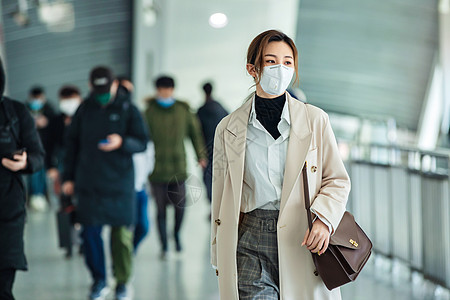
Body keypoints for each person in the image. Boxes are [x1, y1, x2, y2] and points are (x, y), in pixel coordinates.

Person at [210, 30, 351, 299]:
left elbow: (337, 179)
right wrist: (218, 251)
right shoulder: (228, 128)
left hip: (304, 236)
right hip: (250, 239)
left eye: (288, 62)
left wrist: (324, 220)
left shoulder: (315, 120)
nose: (281, 69)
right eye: (271, 61)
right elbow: (221, 194)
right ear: (253, 68)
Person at [62, 66, 148, 300]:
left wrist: (122, 142)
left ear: (114, 85)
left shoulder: (128, 109)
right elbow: (71, 146)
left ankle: (122, 281)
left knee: (121, 237)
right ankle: (99, 280)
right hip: (88, 182)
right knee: (90, 234)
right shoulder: (84, 110)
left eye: (106, 89)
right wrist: (67, 177)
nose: (101, 94)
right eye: (97, 90)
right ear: (91, 87)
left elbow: (142, 141)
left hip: (119, 183)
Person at [144, 75, 207, 259]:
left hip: (178, 167)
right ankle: (164, 245)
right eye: (161, 90)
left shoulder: (183, 111)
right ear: (157, 91)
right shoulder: (149, 113)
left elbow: (195, 134)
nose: (165, 93)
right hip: (156, 169)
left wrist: (201, 155)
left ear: (172, 90)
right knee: (160, 210)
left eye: (168, 90)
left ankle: (177, 235)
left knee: (180, 206)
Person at [0, 58, 45, 300]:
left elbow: (38, 154)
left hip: (8, 212)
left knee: (3, 286)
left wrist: (25, 162)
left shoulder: (16, 112)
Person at [117, 76, 154, 253]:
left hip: (139, 187)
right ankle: (123, 261)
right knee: (122, 229)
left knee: (143, 226)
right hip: (122, 187)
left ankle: (130, 251)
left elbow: (147, 148)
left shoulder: (136, 114)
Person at [46, 85, 83, 258]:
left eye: (72, 98)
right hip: (62, 165)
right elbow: (48, 145)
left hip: (83, 166)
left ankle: (83, 242)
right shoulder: (55, 121)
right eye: (65, 99)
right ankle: (68, 244)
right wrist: (50, 167)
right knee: (65, 205)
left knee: (83, 205)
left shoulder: (86, 116)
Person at [196, 82, 228, 208]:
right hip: (221, 148)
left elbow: (197, 133)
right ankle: (219, 205)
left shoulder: (200, 110)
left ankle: (213, 205)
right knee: (221, 177)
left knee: (208, 178)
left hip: (207, 150)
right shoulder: (221, 108)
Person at [26, 86, 56, 211]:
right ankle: (34, 197)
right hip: (30, 147)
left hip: (46, 148)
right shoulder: (25, 109)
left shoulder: (49, 109)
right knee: (33, 173)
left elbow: (55, 127)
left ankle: (44, 196)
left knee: (44, 172)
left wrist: (46, 123)